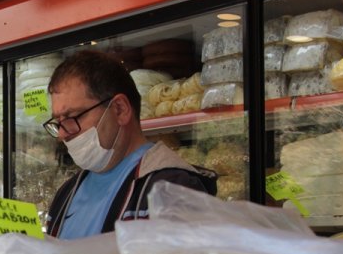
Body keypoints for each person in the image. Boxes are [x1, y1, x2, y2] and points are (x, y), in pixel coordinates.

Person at [45, 49, 217, 238]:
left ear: (119, 109)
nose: (62, 134)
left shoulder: (173, 188)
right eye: (58, 122)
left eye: (71, 117)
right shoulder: (68, 192)